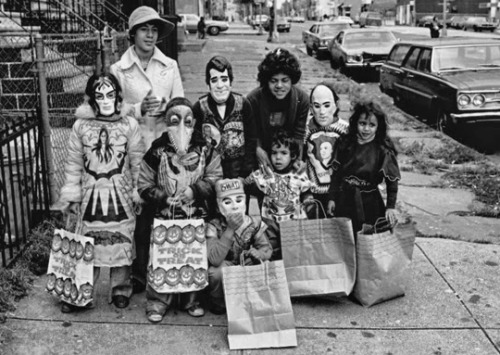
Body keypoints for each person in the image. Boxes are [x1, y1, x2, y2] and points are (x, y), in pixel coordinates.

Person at [110, 6, 185, 294]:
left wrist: (169, 109)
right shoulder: (119, 69)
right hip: (132, 148)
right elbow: (110, 111)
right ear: (133, 34)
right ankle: (133, 277)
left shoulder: (170, 65)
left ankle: (161, 269)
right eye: (145, 29)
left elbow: (182, 105)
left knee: (161, 207)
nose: (150, 35)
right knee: (134, 213)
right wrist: (137, 108)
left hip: (163, 148)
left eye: (154, 30)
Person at [57, 73, 144, 313]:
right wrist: (72, 194)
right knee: (89, 241)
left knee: (122, 239)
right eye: (99, 96)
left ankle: (121, 288)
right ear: (91, 99)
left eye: (110, 95)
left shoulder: (129, 124)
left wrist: (138, 190)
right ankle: (82, 289)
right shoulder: (81, 126)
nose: (105, 101)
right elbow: (74, 163)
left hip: (122, 193)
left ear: (117, 97)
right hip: (90, 192)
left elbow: (137, 161)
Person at [137, 97, 222, 323]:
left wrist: (195, 190)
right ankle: (158, 301)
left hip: (195, 215)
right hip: (165, 216)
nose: (181, 128)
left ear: (194, 123)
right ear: (166, 124)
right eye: (174, 122)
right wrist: (162, 198)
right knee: (163, 258)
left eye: (187, 122)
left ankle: (191, 299)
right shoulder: (157, 151)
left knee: (191, 257)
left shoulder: (206, 149)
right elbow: (144, 184)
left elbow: (215, 178)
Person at [327, 101, 400, 233]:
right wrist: (332, 198)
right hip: (345, 199)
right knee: (344, 236)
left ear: (378, 127)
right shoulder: (346, 143)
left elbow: (392, 181)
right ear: (356, 123)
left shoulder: (382, 150)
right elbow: (336, 176)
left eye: (372, 125)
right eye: (362, 124)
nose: (366, 129)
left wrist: (390, 206)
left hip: (369, 201)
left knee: (367, 237)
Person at [206, 178, 273, 314]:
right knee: (215, 272)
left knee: (266, 265)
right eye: (227, 202)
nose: (235, 206)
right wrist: (230, 229)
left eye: (239, 200)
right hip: (228, 265)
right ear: (219, 206)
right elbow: (214, 259)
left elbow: (266, 248)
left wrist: (259, 254)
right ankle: (219, 303)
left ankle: (258, 300)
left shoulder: (253, 223)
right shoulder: (213, 226)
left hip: (246, 265)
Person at [245, 130, 312, 259]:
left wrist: (308, 199)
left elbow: (306, 191)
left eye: (283, 153)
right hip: (270, 220)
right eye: (274, 153)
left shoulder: (297, 174)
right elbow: (252, 188)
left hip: (293, 220)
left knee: (293, 251)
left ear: (292, 156)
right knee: (271, 248)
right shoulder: (266, 174)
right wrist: (250, 181)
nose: (278, 157)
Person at [246, 47, 309, 173]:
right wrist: (258, 149)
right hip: (260, 150)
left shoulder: (302, 99)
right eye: (274, 81)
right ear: (266, 81)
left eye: (285, 80)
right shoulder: (253, 100)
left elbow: (299, 134)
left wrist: (297, 160)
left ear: (292, 80)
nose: (279, 86)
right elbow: (251, 134)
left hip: (287, 153)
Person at [193, 56, 256, 178]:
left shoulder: (243, 104)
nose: (220, 85)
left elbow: (251, 139)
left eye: (224, 79)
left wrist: (245, 171)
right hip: (211, 173)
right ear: (208, 84)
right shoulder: (199, 108)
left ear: (230, 81)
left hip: (238, 171)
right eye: (214, 80)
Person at [304, 83, 348, 215]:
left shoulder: (346, 129)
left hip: (341, 191)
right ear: (311, 108)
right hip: (314, 191)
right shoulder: (305, 130)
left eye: (327, 105)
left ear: (336, 106)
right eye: (317, 106)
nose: (322, 112)